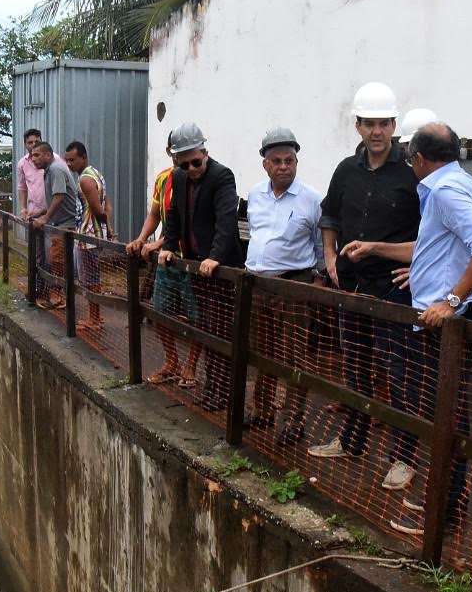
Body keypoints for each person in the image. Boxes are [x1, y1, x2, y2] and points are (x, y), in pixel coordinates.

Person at [369, 123, 472, 535]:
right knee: (442, 410)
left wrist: (451, 300)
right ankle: (443, 498)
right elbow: (446, 246)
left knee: (448, 414)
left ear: (420, 159)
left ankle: (445, 511)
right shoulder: (456, 184)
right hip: (441, 317)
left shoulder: (445, 190)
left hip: (448, 320)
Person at [307, 82, 420, 472]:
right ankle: (352, 441)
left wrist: (417, 266)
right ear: (357, 126)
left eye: (383, 123)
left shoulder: (410, 174)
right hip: (352, 286)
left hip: (393, 289)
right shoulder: (345, 170)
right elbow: (329, 214)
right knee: (355, 369)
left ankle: (403, 458)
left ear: (394, 126)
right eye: (369, 123)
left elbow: (430, 233)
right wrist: (328, 254)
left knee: (399, 374)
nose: (376, 131)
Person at [244, 127, 325, 444]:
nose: (283, 166)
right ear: (265, 164)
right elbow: (256, 234)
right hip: (257, 284)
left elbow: (319, 244)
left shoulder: (311, 199)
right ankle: (262, 410)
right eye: (276, 161)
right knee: (260, 351)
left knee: (294, 356)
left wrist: (317, 279)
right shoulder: (255, 195)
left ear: (296, 161)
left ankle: (294, 419)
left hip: (294, 284)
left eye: (289, 160)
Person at [157, 123, 243, 411]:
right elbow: (173, 214)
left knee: (220, 332)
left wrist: (215, 256)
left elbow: (226, 220)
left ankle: (224, 392)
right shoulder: (179, 178)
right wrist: (169, 246)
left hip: (220, 269)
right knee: (206, 329)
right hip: (197, 267)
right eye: (185, 163)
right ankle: (213, 388)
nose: (192, 168)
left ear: (205, 153)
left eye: (196, 162)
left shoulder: (222, 176)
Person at [126, 131, 202, 388]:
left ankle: (190, 366)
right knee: (160, 311)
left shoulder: (198, 176)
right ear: (170, 151)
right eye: (178, 152)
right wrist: (142, 238)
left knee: (195, 317)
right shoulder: (163, 179)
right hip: (167, 259)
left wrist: (160, 242)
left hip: (190, 259)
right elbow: (155, 214)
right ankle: (172, 361)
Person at [64, 141, 114, 331]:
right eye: (67, 160)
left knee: (89, 279)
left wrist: (106, 224)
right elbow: (108, 205)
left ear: (83, 157)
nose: (69, 164)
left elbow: (98, 209)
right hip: (93, 233)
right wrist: (107, 226)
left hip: (87, 235)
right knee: (92, 277)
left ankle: (94, 318)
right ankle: (95, 316)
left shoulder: (85, 179)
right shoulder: (97, 174)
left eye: (73, 160)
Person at [29, 142, 79, 310]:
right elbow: (52, 200)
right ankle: (58, 294)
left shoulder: (56, 169)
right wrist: (38, 213)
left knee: (56, 259)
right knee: (57, 259)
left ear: (48, 155)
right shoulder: (50, 170)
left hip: (67, 222)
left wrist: (45, 219)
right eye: (32, 156)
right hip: (60, 222)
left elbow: (59, 196)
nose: (33, 159)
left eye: (37, 155)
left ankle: (58, 298)